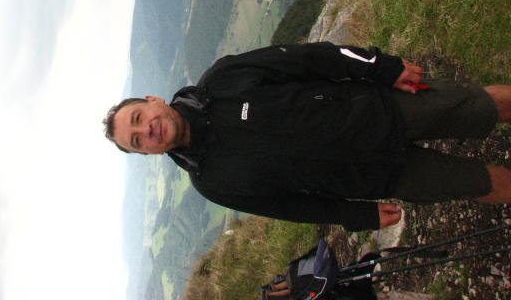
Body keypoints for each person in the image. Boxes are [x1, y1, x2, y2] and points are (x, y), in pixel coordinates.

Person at [102, 42, 511, 231]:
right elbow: (290, 207)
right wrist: (353, 215)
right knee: (477, 183)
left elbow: (309, 58)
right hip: (379, 175)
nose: (146, 130)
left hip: (382, 109)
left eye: (138, 118)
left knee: (482, 107)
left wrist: (379, 67)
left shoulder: (223, 79)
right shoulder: (211, 182)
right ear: (149, 153)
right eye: (137, 140)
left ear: (153, 100)